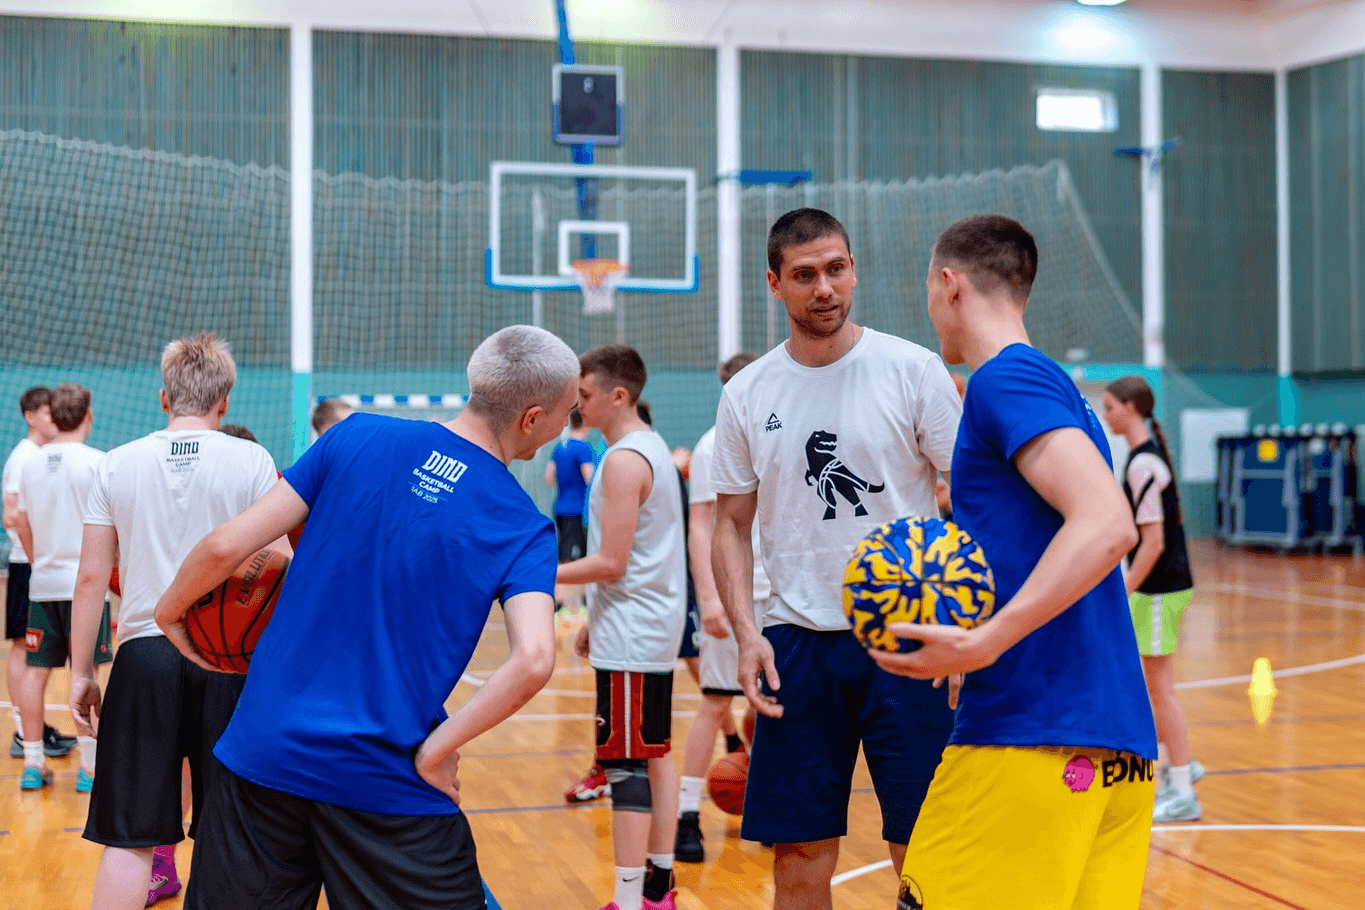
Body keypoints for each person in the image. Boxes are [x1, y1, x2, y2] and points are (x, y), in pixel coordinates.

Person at [153, 325, 577, 910]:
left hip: (263, 755)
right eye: (566, 412)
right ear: (532, 418)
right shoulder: (524, 526)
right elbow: (533, 658)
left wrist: (169, 610)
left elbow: (227, 546)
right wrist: (437, 749)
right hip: (385, 778)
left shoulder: (353, 436)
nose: (565, 425)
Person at [871, 214, 1157, 910]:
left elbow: (1106, 525)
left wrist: (984, 642)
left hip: (1029, 738)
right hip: (1111, 745)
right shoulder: (1059, 390)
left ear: (949, 283)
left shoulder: (1006, 381)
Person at [709, 208, 961, 910]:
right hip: (793, 642)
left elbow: (975, 501)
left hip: (909, 637)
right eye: (804, 275)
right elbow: (729, 524)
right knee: (797, 856)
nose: (824, 287)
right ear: (774, 283)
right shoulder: (746, 393)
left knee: (925, 848)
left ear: (853, 269)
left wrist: (973, 634)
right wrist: (746, 631)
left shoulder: (912, 370)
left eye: (836, 269)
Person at [68, 333, 280, 910]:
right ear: (226, 401)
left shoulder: (116, 463)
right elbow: (279, 566)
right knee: (228, 831)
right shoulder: (252, 460)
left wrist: (82, 671)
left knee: (130, 838)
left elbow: (91, 578)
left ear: (164, 398)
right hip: (229, 660)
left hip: (144, 653)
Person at [557, 343, 686, 910]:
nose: (576, 404)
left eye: (584, 395)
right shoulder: (649, 448)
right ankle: (659, 886)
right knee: (654, 753)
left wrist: (536, 572)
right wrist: (596, 615)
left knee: (627, 763)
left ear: (618, 395)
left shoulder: (625, 459)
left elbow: (611, 560)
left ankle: (630, 900)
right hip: (642, 625)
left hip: (636, 631)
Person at [674, 351, 765, 865]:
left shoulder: (780, 434)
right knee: (715, 701)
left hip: (781, 596)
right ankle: (688, 814)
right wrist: (709, 595)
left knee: (770, 706)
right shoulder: (713, 445)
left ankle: (767, 798)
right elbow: (701, 526)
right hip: (732, 594)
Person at [1102, 375, 1203, 824]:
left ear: (1131, 408)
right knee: (1155, 687)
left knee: (1160, 689)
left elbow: (1154, 543)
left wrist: (1122, 593)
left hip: (1159, 589)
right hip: (1157, 589)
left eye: (1110, 407)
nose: (1106, 416)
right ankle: (1174, 769)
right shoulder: (1144, 459)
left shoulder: (1143, 464)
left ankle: (1182, 788)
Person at [12, 383, 112, 791]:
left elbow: (18, 520)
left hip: (44, 583)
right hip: (86, 587)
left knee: (37, 675)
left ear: (53, 415)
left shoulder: (31, 464)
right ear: (88, 414)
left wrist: (38, 562)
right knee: (86, 674)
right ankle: (89, 768)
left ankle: (33, 763)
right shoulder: (100, 463)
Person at [4, 386, 77, 761]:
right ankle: (22, 731)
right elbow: (11, 515)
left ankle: (28, 731)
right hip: (28, 563)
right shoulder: (26, 457)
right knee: (23, 650)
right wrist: (37, 556)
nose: (52, 418)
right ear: (31, 416)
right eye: (45, 412)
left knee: (28, 652)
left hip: (36, 563)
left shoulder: (40, 456)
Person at [546, 407, 595, 616]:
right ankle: (571, 608)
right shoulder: (583, 449)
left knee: (564, 555)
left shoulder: (560, 447)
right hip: (577, 510)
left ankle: (561, 606)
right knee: (578, 559)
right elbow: (590, 479)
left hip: (560, 507)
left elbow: (549, 478)